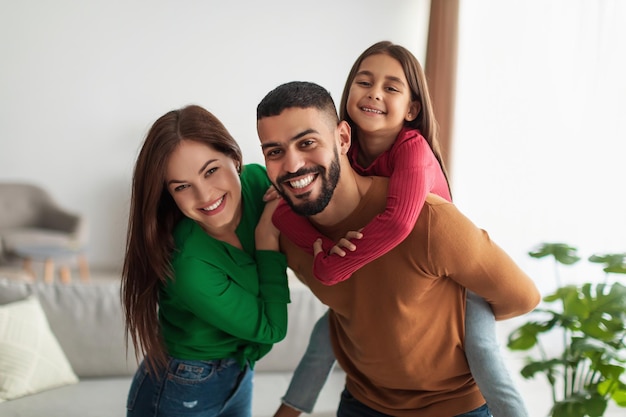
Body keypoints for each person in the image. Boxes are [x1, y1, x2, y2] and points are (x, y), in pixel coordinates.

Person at [269, 42, 531, 417]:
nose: (375, 92)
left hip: (455, 286)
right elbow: (283, 214)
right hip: (373, 305)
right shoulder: (344, 153)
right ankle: (290, 409)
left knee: (484, 352)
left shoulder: (412, 149)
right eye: (364, 82)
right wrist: (316, 241)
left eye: (391, 87)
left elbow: (399, 221)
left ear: (412, 109)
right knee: (325, 337)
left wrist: (331, 266)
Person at [121, 104, 289, 417]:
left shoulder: (259, 183)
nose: (205, 195)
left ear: (235, 159)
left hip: (239, 371)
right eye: (182, 186)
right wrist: (267, 237)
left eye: (211, 170)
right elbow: (271, 328)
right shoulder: (189, 267)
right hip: (183, 386)